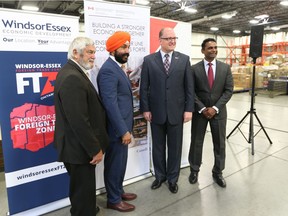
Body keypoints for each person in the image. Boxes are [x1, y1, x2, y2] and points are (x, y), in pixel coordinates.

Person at [54, 37, 109, 216]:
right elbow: (78, 120)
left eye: (94, 52)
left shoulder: (73, 72)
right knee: (82, 193)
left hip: (77, 147)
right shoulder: (72, 77)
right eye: (90, 52)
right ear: (76, 53)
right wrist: (95, 149)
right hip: (79, 149)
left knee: (82, 192)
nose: (93, 56)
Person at [140, 27, 194, 194]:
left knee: (175, 147)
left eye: (174, 38)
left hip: (177, 112)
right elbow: (144, 88)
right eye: (169, 38)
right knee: (158, 147)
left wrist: (188, 109)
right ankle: (160, 176)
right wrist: (146, 108)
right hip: (156, 113)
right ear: (160, 40)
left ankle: (172, 179)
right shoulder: (149, 60)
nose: (172, 41)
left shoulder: (184, 60)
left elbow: (189, 88)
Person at [97, 31, 136, 212]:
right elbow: (110, 105)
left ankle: (118, 191)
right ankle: (113, 199)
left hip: (123, 126)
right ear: (113, 50)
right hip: (116, 129)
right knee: (114, 164)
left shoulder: (117, 68)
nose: (127, 50)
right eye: (123, 47)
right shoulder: (107, 71)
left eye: (128, 47)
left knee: (121, 162)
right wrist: (123, 130)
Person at [188, 38, 234, 188]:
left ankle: (218, 172)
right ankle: (194, 170)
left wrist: (215, 108)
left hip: (219, 113)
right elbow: (191, 92)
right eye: (210, 48)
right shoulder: (194, 69)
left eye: (215, 47)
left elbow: (228, 91)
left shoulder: (225, 68)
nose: (213, 50)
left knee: (219, 143)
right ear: (202, 50)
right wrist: (202, 108)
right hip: (200, 112)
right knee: (196, 142)